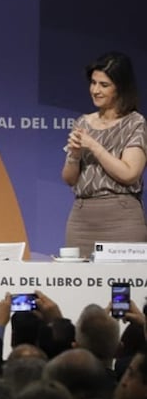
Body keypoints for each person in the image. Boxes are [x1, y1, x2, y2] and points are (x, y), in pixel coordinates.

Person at [63, 51, 147, 253]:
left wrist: (94, 146)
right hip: (82, 219)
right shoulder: (83, 122)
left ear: (120, 88)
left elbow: (129, 174)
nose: (95, 90)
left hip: (121, 219)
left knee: (121, 284)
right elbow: (69, 179)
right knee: (79, 282)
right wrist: (74, 155)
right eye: (93, 83)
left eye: (104, 85)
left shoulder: (135, 123)